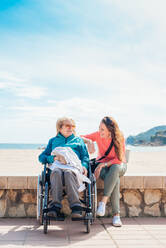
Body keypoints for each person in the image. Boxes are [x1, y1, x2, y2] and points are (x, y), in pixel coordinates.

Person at [38, 117, 89, 218]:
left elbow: (85, 157)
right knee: (56, 172)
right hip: (57, 167)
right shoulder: (53, 141)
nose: (71, 128)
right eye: (67, 126)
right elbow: (41, 157)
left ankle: (76, 207)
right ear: (60, 128)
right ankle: (55, 207)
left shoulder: (78, 140)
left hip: (73, 168)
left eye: (72, 126)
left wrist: (84, 166)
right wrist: (54, 158)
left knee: (68, 173)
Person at [81, 116, 127, 227]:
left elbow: (119, 159)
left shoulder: (119, 137)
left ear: (110, 130)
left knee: (115, 169)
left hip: (118, 165)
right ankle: (116, 216)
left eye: (102, 129)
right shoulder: (98, 135)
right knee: (114, 180)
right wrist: (89, 141)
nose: (100, 131)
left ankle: (103, 202)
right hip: (103, 168)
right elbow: (79, 138)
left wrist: (104, 164)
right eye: (99, 128)